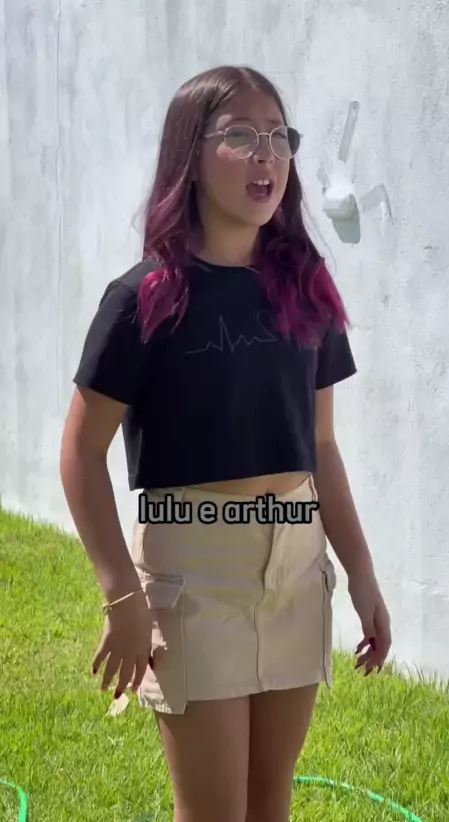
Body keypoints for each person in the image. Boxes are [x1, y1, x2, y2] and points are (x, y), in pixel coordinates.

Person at [60, 65, 391, 822]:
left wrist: (362, 573)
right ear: (191, 153)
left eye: (278, 136)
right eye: (240, 134)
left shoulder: (306, 287)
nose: (266, 153)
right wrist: (123, 595)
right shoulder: (144, 299)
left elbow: (321, 447)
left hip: (296, 567)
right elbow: (79, 454)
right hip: (193, 571)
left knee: (269, 803)